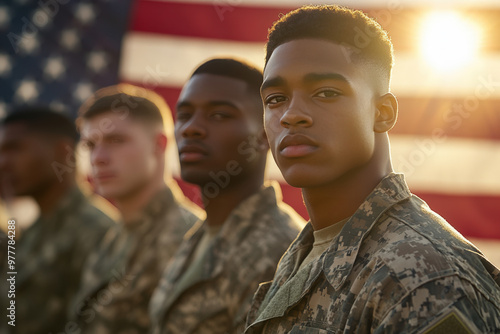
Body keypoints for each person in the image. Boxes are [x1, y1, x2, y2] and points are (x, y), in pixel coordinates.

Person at [244, 5, 500, 333]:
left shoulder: (424, 276)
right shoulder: (303, 254)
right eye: (275, 99)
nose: (291, 115)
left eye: (325, 93)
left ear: (383, 112)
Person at [148, 58, 305, 334]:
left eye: (219, 115)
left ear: (264, 135)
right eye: (184, 115)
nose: (190, 128)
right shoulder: (199, 235)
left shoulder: (278, 251)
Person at [71, 84, 202, 333]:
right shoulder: (114, 235)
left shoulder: (188, 239)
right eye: (90, 145)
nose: (98, 157)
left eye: (115, 140)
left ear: (159, 145)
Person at [0, 108, 114, 334]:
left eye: (15, 149)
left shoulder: (99, 233)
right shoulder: (32, 231)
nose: (3, 163)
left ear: (63, 152)